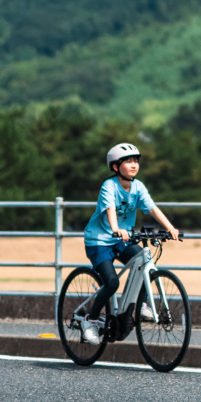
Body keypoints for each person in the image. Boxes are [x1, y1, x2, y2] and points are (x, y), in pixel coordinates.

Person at [75, 142, 182, 342]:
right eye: (128, 162)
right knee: (112, 282)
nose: (134, 165)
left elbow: (152, 208)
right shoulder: (109, 185)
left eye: (136, 161)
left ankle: (140, 304)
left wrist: (170, 228)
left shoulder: (138, 186)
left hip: (122, 238)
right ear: (116, 167)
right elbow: (110, 210)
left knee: (144, 265)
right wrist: (116, 229)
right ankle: (90, 320)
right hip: (99, 241)